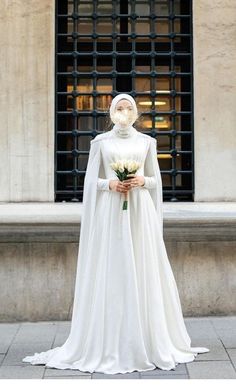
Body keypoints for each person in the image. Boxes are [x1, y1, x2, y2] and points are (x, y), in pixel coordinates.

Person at [22, 93, 209, 374]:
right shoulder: (101, 142)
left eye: (128, 108)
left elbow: (156, 179)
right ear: (111, 112)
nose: (123, 111)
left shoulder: (147, 142)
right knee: (114, 267)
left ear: (135, 113)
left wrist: (141, 180)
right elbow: (88, 181)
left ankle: (147, 337)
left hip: (139, 212)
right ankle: (108, 338)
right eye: (119, 108)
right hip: (111, 212)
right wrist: (109, 184)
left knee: (141, 265)